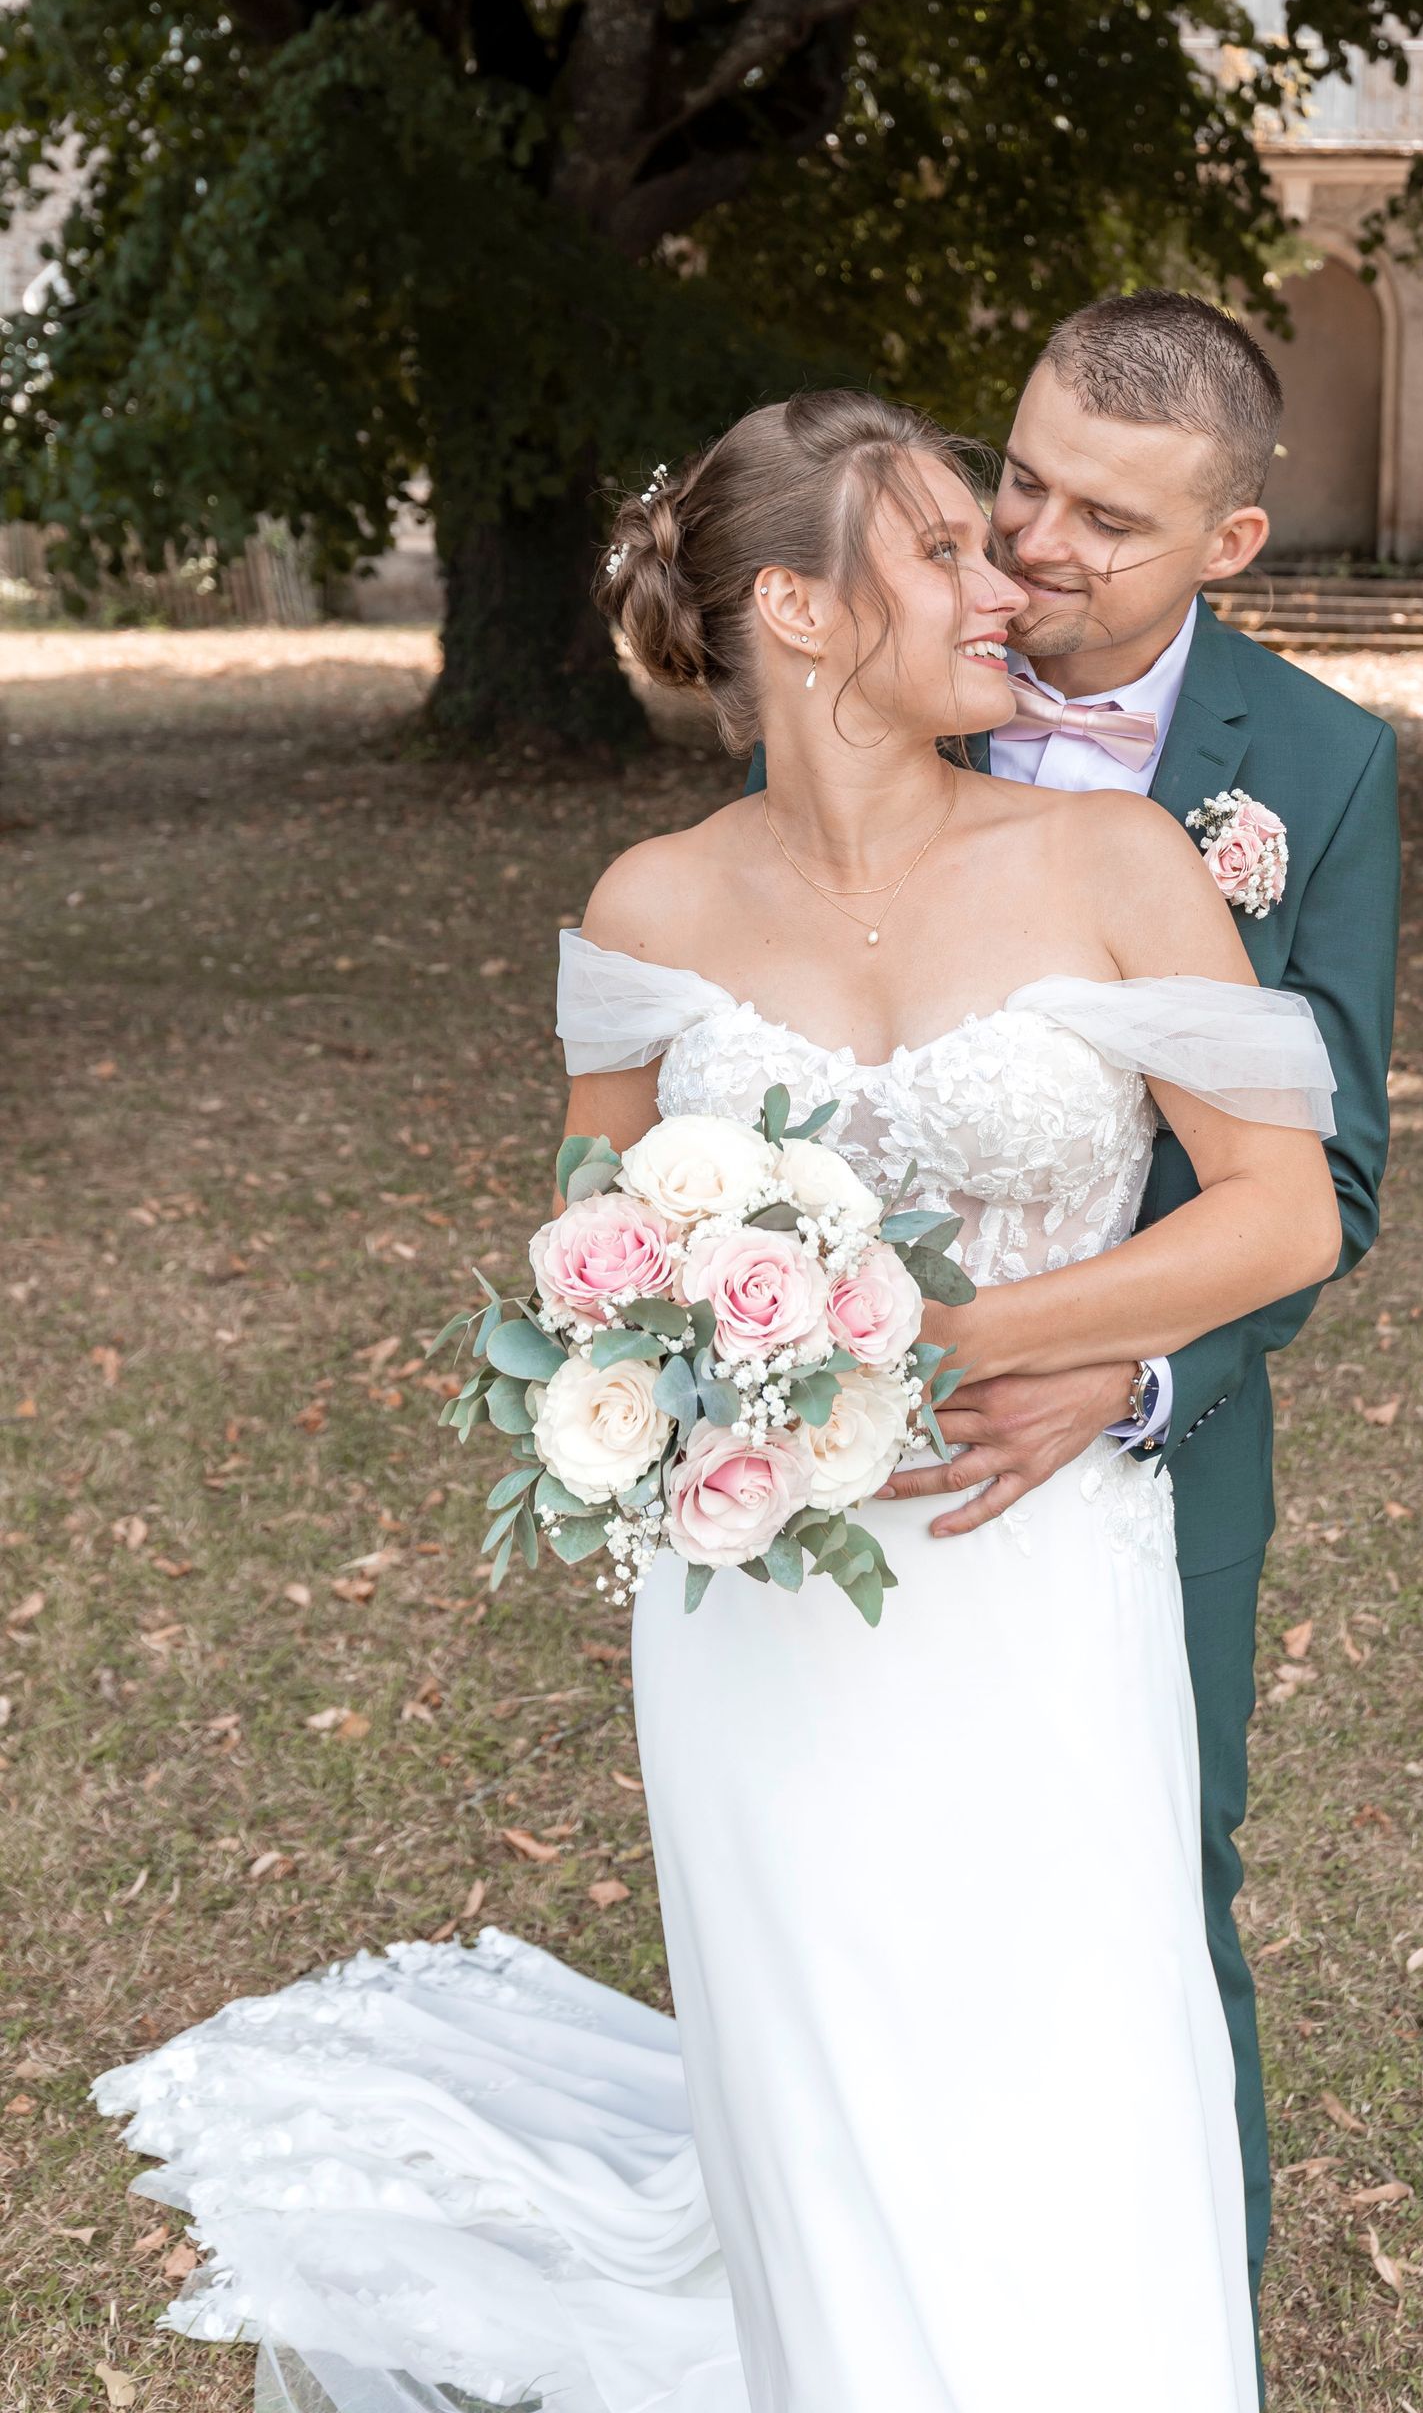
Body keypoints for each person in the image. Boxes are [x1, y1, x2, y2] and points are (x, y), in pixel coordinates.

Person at [95, 385, 1349, 2413]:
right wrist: (699, 1357)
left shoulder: (1114, 859)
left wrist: (949, 1337)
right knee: (819, 2057)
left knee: (1068, 2044)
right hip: (764, 1602)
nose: (1008, 580)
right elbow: (589, 1251)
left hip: (1036, 1570)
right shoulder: (653, 906)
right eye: (944, 547)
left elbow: (1282, 1213)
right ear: (798, 605)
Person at [869, 292, 1401, 2324]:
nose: (1032, 544)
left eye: (1108, 519)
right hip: (863, 1424)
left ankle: (1186, 2321)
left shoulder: (1320, 773)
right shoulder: (886, 673)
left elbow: (1332, 1181)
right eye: (1020, 482)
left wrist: (1133, 1371)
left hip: (1156, 1456)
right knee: (881, 1878)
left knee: (1159, 1876)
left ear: (1229, 544)